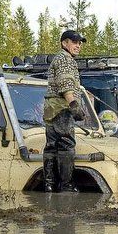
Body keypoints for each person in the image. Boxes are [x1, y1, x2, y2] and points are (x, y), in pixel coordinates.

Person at [42, 30, 87, 192]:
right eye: (74, 42)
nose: (78, 45)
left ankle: (49, 184)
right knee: (66, 145)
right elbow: (65, 84)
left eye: (79, 43)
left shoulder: (59, 58)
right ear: (64, 43)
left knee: (51, 146)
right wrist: (74, 105)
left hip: (52, 109)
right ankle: (66, 185)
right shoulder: (65, 59)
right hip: (62, 108)